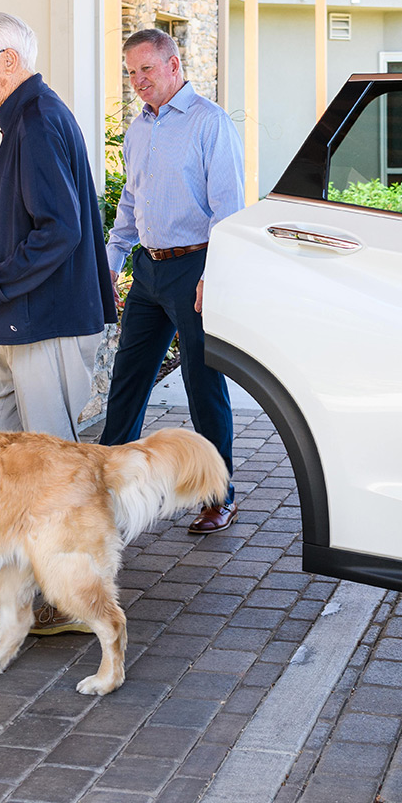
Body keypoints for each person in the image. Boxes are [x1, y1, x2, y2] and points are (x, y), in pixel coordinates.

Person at [0, 11, 116, 632]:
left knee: (49, 468)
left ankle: (74, 597)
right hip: (20, 323)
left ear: (8, 61)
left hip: (47, 323)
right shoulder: (26, 121)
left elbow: (59, 232)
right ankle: (0, 583)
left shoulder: (37, 122)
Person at [98, 29, 243, 533]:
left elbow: (229, 210)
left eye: (146, 70)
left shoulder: (210, 123)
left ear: (174, 65)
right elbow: (131, 202)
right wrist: (113, 257)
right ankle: (109, 488)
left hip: (195, 267)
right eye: (131, 72)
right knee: (128, 379)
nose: (137, 81)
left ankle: (218, 495)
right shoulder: (138, 130)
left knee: (204, 384)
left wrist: (215, 275)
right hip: (149, 270)